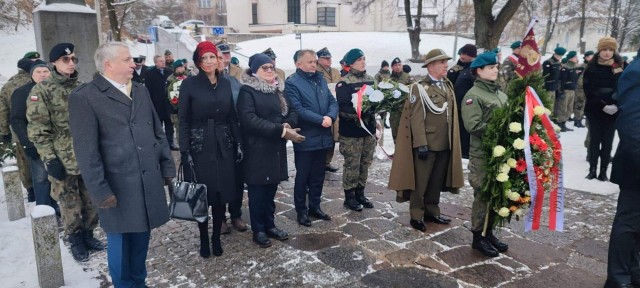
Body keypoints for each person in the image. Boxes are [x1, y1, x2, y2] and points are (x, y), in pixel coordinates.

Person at [68, 42, 175, 287]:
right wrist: (100, 191)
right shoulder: (85, 97)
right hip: (117, 188)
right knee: (121, 248)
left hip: (147, 181)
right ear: (109, 64)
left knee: (141, 242)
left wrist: (167, 168)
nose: (133, 64)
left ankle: (139, 282)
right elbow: (86, 152)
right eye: (127, 60)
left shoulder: (139, 90)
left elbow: (157, 132)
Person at [27, 43, 104, 262]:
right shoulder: (41, 91)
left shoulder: (82, 87)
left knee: (90, 199)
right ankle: (75, 238)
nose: (71, 64)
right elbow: (38, 131)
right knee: (69, 202)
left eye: (73, 60)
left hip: (87, 154)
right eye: (65, 60)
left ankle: (89, 233)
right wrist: (50, 159)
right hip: (62, 157)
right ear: (53, 63)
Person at [178, 41, 242, 257]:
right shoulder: (189, 84)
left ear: (218, 59)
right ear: (198, 61)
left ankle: (216, 238)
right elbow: (184, 120)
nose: (208, 62)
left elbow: (232, 116)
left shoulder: (225, 83)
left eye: (211, 57)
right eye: (203, 58)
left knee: (221, 192)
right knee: (202, 194)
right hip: (199, 146)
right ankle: (204, 238)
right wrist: (185, 151)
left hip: (224, 145)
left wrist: (238, 142)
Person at [389, 49, 464, 232]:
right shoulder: (419, 87)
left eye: (446, 62)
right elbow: (415, 118)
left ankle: (432, 211)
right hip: (428, 144)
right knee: (421, 182)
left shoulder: (447, 85)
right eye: (442, 62)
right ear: (430, 66)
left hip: (445, 142)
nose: (446, 65)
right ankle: (416, 214)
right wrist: (421, 143)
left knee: (436, 181)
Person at [237, 53, 303, 247]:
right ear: (255, 71)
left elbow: (292, 110)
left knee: (271, 188)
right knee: (258, 192)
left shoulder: (278, 89)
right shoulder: (248, 91)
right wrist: (280, 130)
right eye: (264, 68)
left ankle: (270, 225)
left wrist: (288, 124)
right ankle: (258, 229)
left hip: (276, 147)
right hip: (258, 149)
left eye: (271, 67)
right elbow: (249, 119)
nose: (269, 71)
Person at [460, 52, 509, 257]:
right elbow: (473, 125)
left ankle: (489, 232)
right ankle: (478, 236)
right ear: (478, 71)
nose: (495, 70)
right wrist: (502, 129)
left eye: (496, 67)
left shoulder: (500, 94)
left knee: (497, 194)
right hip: (483, 154)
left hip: (502, 153)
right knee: (482, 194)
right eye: (491, 67)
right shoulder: (474, 95)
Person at [285, 49, 338, 227]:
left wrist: (330, 117)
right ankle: (301, 210)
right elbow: (298, 109)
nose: (314, 64)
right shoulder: (292, 83)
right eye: (309, 62)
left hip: (323, 136)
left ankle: (315, 206)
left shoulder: (320, 80)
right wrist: (321, 120)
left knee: (318, 175)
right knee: (303, 177)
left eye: (315, 61)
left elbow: (332, 102)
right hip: (306, 137)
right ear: (298, 64)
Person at [606, 48, 640, 288]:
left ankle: (634, 272)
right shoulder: (636, 72)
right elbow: (630, 124)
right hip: (635, 162)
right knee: (628, 224)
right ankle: (618, 279)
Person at [10, 59, 59, 213]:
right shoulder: (22, 92)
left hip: (60, 142)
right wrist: (27, 143)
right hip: (36, 142)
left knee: (59, 176)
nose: (42, 75)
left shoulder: (57, 89)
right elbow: (17, 120)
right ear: (32, 74)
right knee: (41, 178)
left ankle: (59, 206)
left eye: (45, 71)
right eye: (38, 72)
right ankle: (45, 209)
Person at [335, 48, 376, 212]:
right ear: (351, 63)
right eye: (359, 59)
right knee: (352, 164)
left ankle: (360, 193)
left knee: (365, 163)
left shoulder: (371, 80)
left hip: (368, 131)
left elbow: (378, 100)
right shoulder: (344, 83)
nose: (363, 62)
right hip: (351, 133)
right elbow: (343, 108)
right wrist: (361, 111)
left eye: (364, 59)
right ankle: (349, 197)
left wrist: (378, 108)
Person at [216, 48, 248, 234]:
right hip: (217, 136)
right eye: (217, 57)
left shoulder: (234, 81)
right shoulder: (203, 83)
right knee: (220, 180)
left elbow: (242, 105)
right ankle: (219, 218)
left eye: (222, 57)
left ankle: (236, 214)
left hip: (236, 134)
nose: (221, 61)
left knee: (237, 178)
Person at [0, 52, 39, 202]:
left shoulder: (8, 85)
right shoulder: (37, 80)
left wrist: (4, 132)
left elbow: (3, 110)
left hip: (19, 130)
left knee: (24, 160)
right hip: (40, 127)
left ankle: (31, 190)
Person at [583, 37, 624, 181]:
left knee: (608, 141)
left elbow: (622, 87)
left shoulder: (619, 67)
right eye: (604, 49)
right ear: (599, 51)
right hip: (595, 108)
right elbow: (588, 89)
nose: (607, 53)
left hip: (613, 110)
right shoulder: (592, 67)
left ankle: (604, 171)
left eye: (610, 50)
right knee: (594, 141)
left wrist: (615, 105)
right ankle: (592, 169)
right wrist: (602, 105)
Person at [316, 47, 342, 173]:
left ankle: (327, 161)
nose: (328, 60)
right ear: (319, 59)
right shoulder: (315, 71)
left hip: (334, 106)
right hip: (322, 108)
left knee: (333, 136)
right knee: (324, 135)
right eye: (325, 58)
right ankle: (320, 162)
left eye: (329, 58)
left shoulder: (336, 71)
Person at [145, 55, 178, 150]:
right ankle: (159, 144)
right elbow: (148, 90)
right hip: (156, 104)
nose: (163, 62)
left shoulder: (170, 71)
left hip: (168, 104)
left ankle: (170, 142)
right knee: (157, 125)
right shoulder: (149, 73)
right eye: (160, 61)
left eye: (163, 61)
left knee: (169, 125)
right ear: (155, 63)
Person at [453, 44, 478, 159]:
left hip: (467, 106)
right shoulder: (464, 67)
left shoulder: (473, 69)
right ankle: (462, 150)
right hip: (459, 106)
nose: (461, 56)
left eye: (463, 54)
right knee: (460, 129)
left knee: (466, 130)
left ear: (469, 55)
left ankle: (465, 152)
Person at [387, 57, 413, 143]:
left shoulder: (407, 77)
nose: (398, 67)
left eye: (399, 65)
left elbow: (414, 91)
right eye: (395, 65)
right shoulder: (388, 80)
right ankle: (398, 154)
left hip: (407, 111)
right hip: (394, 113)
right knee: (396, 135)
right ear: (392, 67)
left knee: (408, 135)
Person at [556, 51, 580, 132]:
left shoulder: (573, 67)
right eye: (575, 57)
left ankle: (564, 124)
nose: (577, 59)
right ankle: (560, 124)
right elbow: (561, 80)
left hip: (572, 90)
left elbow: (575, 79)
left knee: (569, 108)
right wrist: (561, 91)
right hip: (565, 90)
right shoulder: (565, 67)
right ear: (571, 58)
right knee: (563, 108)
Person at [543, 47, 566, 120]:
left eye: (561, 56)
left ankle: (550, 120)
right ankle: (546, 121)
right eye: (559, 56)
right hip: (548, 88)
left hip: (555, 87)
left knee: (552, 105)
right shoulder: (548, 62)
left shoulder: (558, 63)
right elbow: (545, 76)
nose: (560, 57)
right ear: (555, 54)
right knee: (548, 106)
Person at [573, 51, 593, 128]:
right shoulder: (582, 66)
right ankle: (577, 120)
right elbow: (578, 78)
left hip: (587, 88)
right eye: (591, 56)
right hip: (580, 88)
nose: (592, 58)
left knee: (584, 104)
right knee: (579, 104)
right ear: (586, 57)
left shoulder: (590, 66)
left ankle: (580, 119)